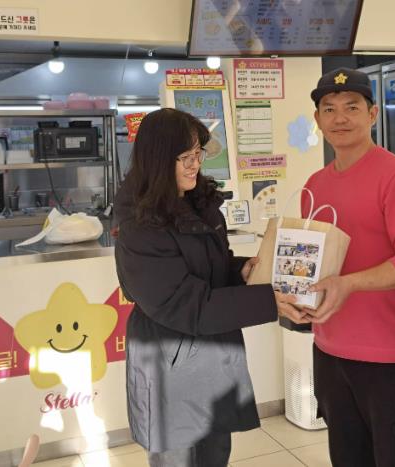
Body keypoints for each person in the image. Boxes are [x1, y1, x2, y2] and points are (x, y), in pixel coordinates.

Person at [278, 68, 395, 467]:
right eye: (329, 109)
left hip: (389, 355)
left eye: (352, 107)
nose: (340, 118)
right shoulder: (315, 184)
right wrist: (291, 294)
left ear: (373, 114)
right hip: (328, 349)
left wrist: (349, 284)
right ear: (318, 119)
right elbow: (312, 262)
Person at [114, 108, 285, 467]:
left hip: (212, 353)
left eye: (198, 153)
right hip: (168, 361)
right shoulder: (140, 225)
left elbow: (209, 269)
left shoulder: (199, 202)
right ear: (158, 159)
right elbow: (186, 305)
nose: (195, 165)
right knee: (177, 457)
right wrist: (269, 302)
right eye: (185, 157)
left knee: (215, 453)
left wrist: (240, 271)